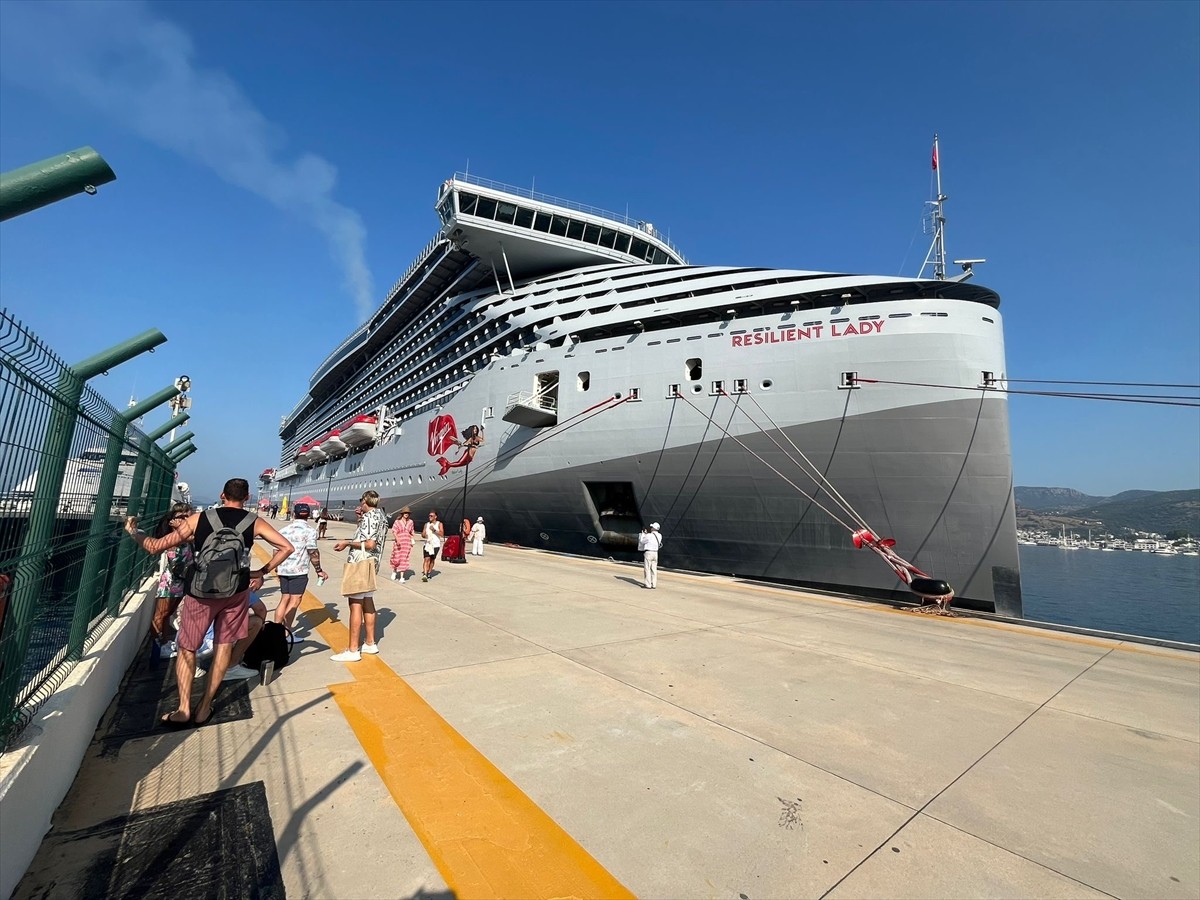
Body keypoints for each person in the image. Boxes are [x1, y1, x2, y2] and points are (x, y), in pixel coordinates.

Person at [125, 478, 295, 727]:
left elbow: (155, 546)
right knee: (223, 647)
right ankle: (204, 708)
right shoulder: (254, 522)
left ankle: (183, 710)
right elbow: (287, 547)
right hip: (235, 593)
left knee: (187, 648)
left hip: (200, 593)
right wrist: (261, 572)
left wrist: (134, 532)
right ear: (247, 497)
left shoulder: (198, 519)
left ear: (222, 495)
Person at [330, 490, 388, 662]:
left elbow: (369, 543)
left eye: (361, 501)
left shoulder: (370, 517)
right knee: (368, 601)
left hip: (360, 563)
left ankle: (353, 650)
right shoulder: (381, 516)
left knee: (355, 604)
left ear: (365, 501)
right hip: (372, 564)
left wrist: (347, 542)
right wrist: (360, 521)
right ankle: (370, 643)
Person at [273, 502, 326, 634]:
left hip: (284, 569)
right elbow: (312, 551)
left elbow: (276, 550)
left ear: (293, 514)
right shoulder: (310, 531)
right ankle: (286, 632)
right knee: (295, 600)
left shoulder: (283, 530)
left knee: (284, 598)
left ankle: (274, 632)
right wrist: (319, 570)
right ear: (308, 515)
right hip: (299, 570)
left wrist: (277, 568)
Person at [149, 502, 194, 657]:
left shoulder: (187, 533)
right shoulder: (173, 536)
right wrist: (180, 528)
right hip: (170, 580)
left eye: (188, 516)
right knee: (160, 614)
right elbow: (183, 540)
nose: (185, 519)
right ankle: (156, 647)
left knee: (169, 613)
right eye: (181, 516)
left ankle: (165, 643)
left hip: (183, 579)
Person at [221, 591, 270, 681]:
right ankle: (231, 666)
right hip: (219, 638)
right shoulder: (241, 589)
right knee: (256, 622)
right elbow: (261, 609)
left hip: (198, 640)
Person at [390, 507, 415, 581]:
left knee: (404, 558)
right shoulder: (397, 522)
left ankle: (402, 577)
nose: (406, 514)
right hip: (399, 542)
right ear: (402, 514)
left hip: (406, 543)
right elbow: (394, 531)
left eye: (408, 513)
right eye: (405, 513)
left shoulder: (411, 522)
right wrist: (397, 539)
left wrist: (412, 540)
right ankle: (394, 571)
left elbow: (411, 532)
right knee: (396, 558)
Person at [639, 522, 664, 589]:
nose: (651, 528)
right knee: (654, 569)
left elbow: (642, 541)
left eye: (652, 527)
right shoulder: (660, 536)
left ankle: (648, 584)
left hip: (649, 553)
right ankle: (654, 584)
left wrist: (643, 534)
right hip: (655, 553)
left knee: (647, 569)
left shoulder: (649, 535)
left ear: (653, 528)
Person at [421, 509, 444, 582]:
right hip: (427, 544)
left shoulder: (439, 524)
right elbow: (423, 534)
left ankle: (429, 572)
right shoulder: (426, 524)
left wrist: (434, 530)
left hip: (435, 545)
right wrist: (423, 535)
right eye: (429, 516)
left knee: (432, 560)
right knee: (426, 559)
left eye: (431, 516)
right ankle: (425, 574)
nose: (430, 517)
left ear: (435, 517)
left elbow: (442, 534)